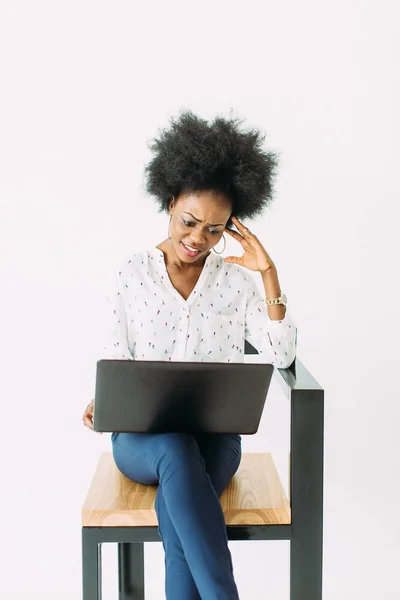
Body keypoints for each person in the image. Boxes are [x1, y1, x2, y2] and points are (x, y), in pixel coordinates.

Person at [82, 109, 298, 600]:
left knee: (177, 512)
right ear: (171, 198)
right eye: (189, 220)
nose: (198, 239)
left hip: (217, 441)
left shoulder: (237, 284)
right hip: (144, 442)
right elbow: (115, 358)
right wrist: (104, 402)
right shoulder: (132, 274)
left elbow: (282, 353)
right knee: (175, 449)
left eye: (215, 230)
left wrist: (268, 274)